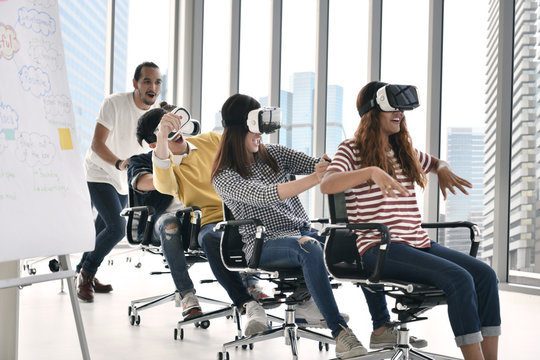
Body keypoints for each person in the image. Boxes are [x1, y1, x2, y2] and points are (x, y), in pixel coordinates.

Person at [320, 81, 501, 360]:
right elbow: (328, 184)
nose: (400, 114)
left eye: (401, 110)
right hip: (380, 248)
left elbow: (437, 162)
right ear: (372, 112)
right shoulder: (351, 149)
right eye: (392, 108)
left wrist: (442, 169)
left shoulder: (404, 152)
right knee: (459, 279)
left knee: (485, 275)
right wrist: (370, 172)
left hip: (417, 243)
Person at [211, 93, 366, 359]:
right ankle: (341, 333)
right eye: (255, 131)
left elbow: (314, 164)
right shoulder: (224, 175)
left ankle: (382, 326)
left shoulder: (274, 154)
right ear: (239, 130)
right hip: (263, 243)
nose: (260, 136)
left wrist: (332, 163)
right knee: (309, 248)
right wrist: (316, 178)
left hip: (301, 232)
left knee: (357, 245)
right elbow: (265, 194)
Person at [148, 105, 326, 336]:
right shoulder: (167, 166)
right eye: (167, 131)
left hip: (251, 211)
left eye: (175, 125)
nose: (175, 132)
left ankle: (291, 295)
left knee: (302, 235)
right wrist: (162, 136)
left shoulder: (210, 140)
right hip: (213, 219)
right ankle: (247, 304)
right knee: (212, 237)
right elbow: (162, 185)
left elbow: (242, 148)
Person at [77, 62, 162, 302]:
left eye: (157, 82)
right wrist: (118, 163)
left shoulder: (157, 115)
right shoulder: (114, 103)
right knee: (117, 228)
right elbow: (96, 144)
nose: (152, 87)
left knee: (101, 229)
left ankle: (80, 272)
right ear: (135, 83)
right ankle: (87, 274)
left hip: (124, 179)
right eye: (147, 81)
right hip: (100, 171)